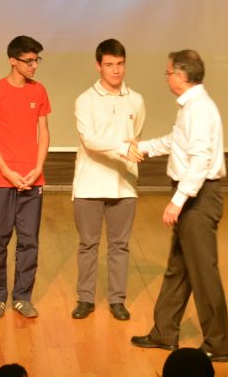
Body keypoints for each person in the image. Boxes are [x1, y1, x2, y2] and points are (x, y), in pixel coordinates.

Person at [129, 50, 228, 363]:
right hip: (192, 195)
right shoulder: (191, 106)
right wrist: (142, 147)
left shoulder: (199, 109)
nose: (167, 77)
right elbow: (177, 143)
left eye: (169, 72)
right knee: (179, 268)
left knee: (203, 273)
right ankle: (164, 331)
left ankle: (218, 344)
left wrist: (177, 202)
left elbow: (200, 160)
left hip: (199, 198)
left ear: (182, 75)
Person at [70, 38, 145, 321]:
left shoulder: (136, 99)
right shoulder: (85, 100)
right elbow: (90, 141)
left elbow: (136, 133)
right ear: (98, 66)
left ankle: (117, 300)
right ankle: (85, 299)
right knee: (88, 245)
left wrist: (127, 149)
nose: (116, 70)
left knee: (120, 245)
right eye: (110, 64)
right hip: (89, 183)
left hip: (124, 184)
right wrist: (123, 148)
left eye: (120, 64)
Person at [0, 35, 51, 319]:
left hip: (33, 178)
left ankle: (22, 296)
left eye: (36, 60)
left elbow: (44, 133)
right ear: (13, 60)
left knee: (29, 240)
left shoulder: (39, 91)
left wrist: (38, 167)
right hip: (0, 179)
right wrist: (7, 172)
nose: (34, 65)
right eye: (28, 61)